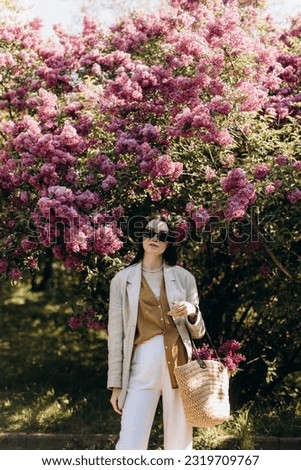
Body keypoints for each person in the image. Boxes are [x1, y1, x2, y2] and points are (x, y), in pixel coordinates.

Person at [107, 215, 206, 450]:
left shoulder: (184, 278)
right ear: (141, 237)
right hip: (142, 362)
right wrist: (116, 386)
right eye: (150, 233)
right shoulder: (122, 280)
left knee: (180, 443)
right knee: (130, 441)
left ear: (168, 243)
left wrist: (192, 311)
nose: (154, 239)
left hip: (180, 362)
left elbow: (199, 332)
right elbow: (116, 336)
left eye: (162, 236)